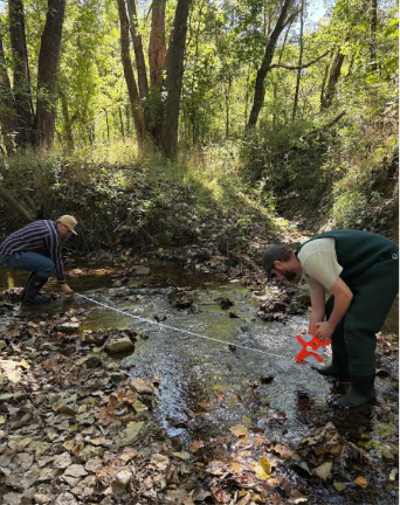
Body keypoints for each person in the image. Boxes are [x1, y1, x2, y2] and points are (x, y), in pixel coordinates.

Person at [262, 230, 400, 409]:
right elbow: (318, 310)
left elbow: (345, 295)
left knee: (357, 327)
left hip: (387, 262)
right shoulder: (307, 266)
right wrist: (309, 347)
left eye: (274, 274)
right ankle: (340, 367)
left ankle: (363, 392)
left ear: (278, 263)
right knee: (330, 308)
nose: (278, 278)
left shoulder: (311, 258)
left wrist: (331, 325)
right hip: (364, 270)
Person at [0, 215, 78, 305]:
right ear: (61, 225)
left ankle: (27, 293)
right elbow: (56, 259)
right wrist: (63, 283)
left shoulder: (46, 223)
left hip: (8, 251)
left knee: (45, 261)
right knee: (48, 265)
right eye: (68, 231)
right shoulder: (51, 234)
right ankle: (30, 298)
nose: (67, 234)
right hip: (11, 255)